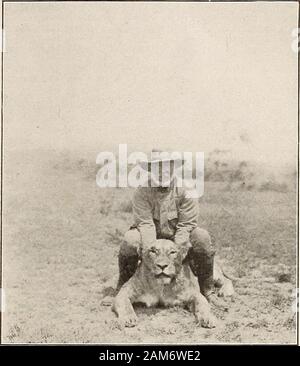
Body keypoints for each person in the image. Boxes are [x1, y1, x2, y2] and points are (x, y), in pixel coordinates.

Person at [116, 151, 227, 309]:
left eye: (167, 167)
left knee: (202, 237)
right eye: (158, 167)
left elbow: (186, 225)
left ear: (174, 168)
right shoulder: (142, 191)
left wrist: (176, 254)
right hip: (152, 238)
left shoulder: (187, 189)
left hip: (178, 238)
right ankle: (122, 288)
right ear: (150, 170)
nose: (163, 172)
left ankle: (208, 291)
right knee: (130, 239)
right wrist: (152, 254)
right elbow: (145, 225)